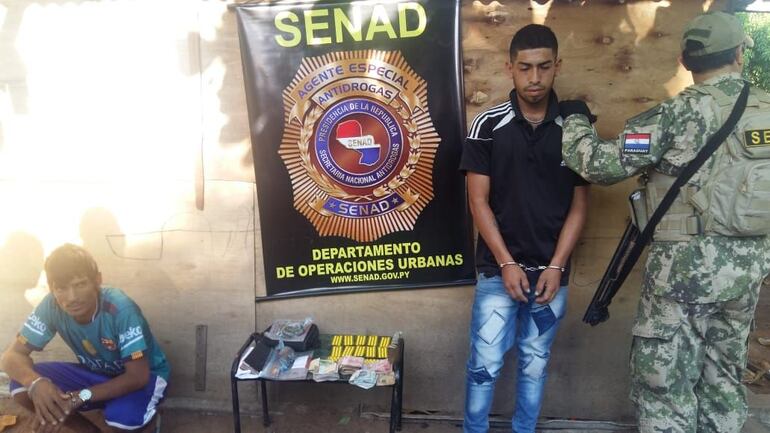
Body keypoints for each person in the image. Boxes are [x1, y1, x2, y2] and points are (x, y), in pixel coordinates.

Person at [560, 11, 770, 433]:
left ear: (684, 60)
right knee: (723, 381)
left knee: (665, 389)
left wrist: (576, 121)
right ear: (740, 54)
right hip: (746, 273)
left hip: (682, 274)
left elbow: (599, 164)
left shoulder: (676, 115)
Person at [459, 24, 589, 433]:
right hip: (497, 274)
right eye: (525, 67)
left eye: (544, 67)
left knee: (534, 365)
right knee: (484, 365)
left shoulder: (576, 129)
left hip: (551, 278)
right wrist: (506, 263)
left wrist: (556, 266)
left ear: (557, 66)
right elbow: (478, 202)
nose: (535, 78)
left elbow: (579, 206)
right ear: (509, 68)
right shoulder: (487, 125)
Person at [0, 244, 169, 433]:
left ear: (97, 280)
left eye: (80, 284)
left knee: (124, 419)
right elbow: (11, 356)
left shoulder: (120, 308)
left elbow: (137, 377)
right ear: (52, 289)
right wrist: (36, 383)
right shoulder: (51, 305)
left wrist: (80, 397)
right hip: (99, 374)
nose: (72, 297)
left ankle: (151, 423)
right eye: (61, 288)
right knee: (22, 386)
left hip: (145, 378)